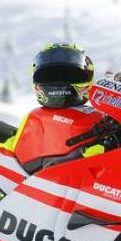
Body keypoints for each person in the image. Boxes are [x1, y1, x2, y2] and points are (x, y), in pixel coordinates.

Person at [12, 43, 104, 173]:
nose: (59, 82)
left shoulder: (96, 115)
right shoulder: (37, 116)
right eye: (51, 76)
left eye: (71, 74)